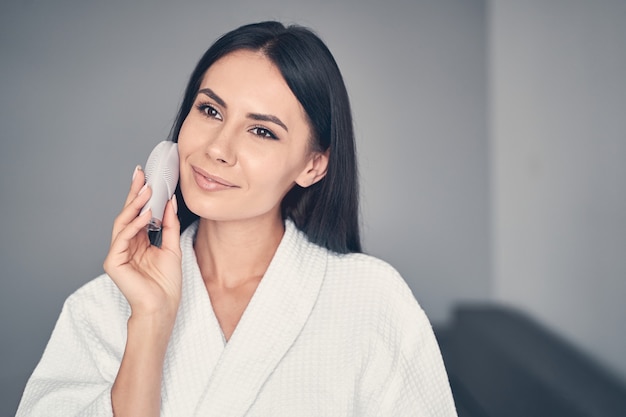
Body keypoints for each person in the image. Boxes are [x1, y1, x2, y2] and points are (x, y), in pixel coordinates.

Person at [16, 21, 457, 416]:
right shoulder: (99, 309)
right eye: (209, 111)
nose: (218, 148)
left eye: (261, 131)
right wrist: (149, 321)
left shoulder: (373, 302)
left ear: (313, 165)